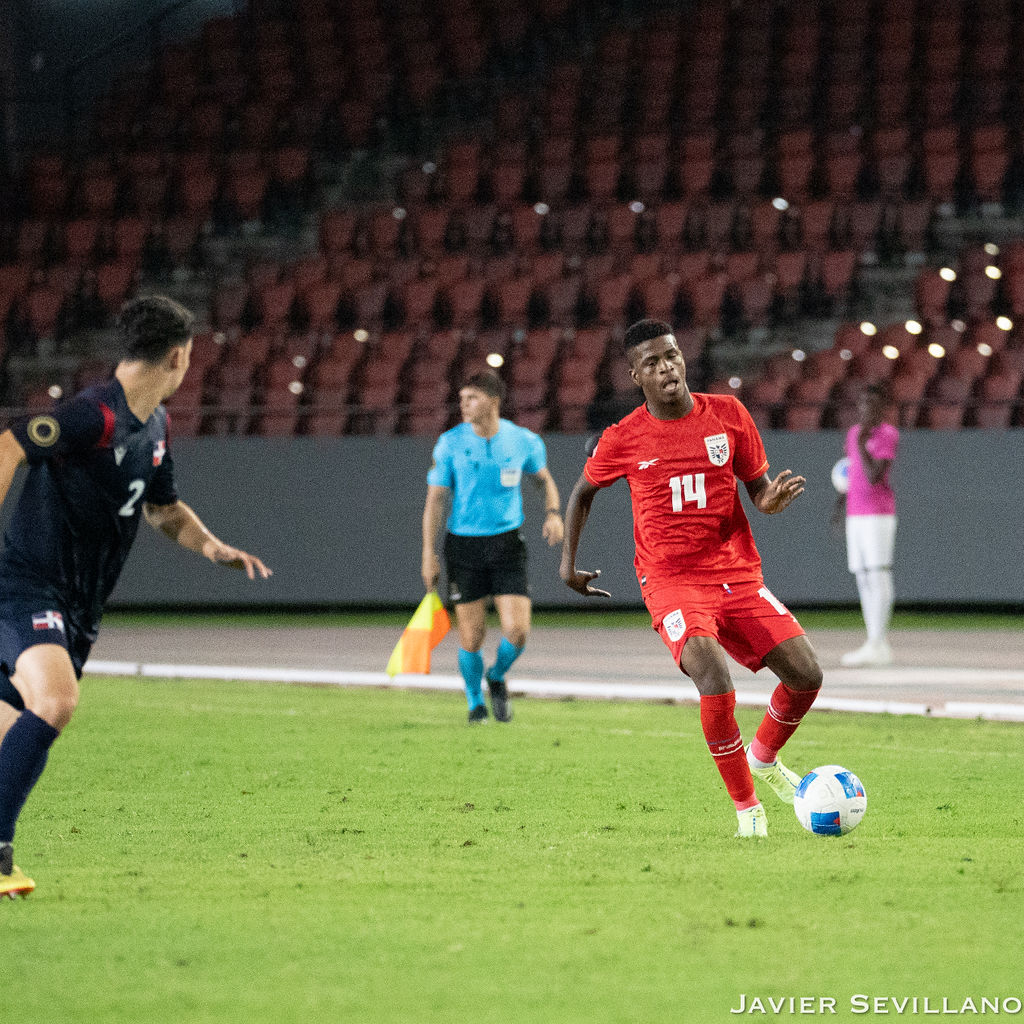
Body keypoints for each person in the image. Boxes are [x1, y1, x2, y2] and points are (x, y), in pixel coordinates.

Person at [0, 295, 272, 898]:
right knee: (56, 702)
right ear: (179, 356)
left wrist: (212, 547)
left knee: (10, 725)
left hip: (80, 608)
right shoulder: (93, 414)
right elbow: (8, 445)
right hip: (31, 587)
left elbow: (163, 508)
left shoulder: (155, 424)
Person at [559, 319, 822, 838]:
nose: (667, 368)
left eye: (672, 356)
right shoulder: (625, 436)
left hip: (736, 574)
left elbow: (759, 490)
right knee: (712, 674)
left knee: (807, 676)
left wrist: (770, 502)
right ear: (636, 375)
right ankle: (748, 808)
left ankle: (764, 758)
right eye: (652, 363)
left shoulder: (728, 415)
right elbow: (581, 493)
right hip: (670, 580)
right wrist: (567, 565)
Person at [421, 370, 563, 724]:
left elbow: (543, 480)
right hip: (463, 547)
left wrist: (553, 513)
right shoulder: (450, 443)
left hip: (506, 543)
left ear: (493, 401)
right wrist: (429, 553)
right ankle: (474, 703)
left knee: (517, 631)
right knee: (472, 635)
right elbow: (435, 501)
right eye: (462, 398)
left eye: (472, 398)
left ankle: (496, 675)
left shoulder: (523, 441)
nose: (464, 405)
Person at [838, 382, 899, 667]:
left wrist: (863, 445)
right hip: (856, 513)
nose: (866, 410)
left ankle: (879, 641)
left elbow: (875, 475)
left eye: (872, 405)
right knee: (862, 574)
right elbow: (852, 475)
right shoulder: (853, 433)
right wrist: (840, 506)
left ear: (882, 408)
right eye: (862, 404)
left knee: (878, 572)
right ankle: (872, 640)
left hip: (878, 513)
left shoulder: (886, 434)